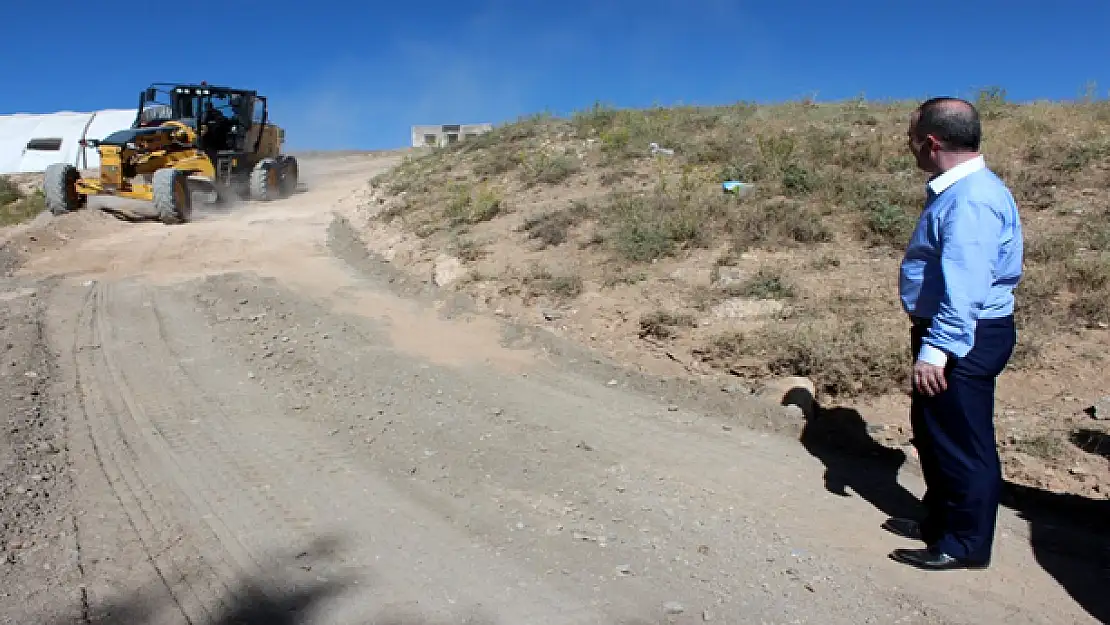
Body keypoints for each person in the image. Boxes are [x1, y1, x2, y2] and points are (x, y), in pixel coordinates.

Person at [886, 96, 1024, 571]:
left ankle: (965, 543)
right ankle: (939, 522)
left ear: (930, 141)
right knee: (935, 433)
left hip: (964, 335)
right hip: (953, 331)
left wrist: (938, 349)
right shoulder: (957, 191)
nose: (909, 147)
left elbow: (966, 287)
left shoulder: (972, 199)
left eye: (911, 138)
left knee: (963, 442)